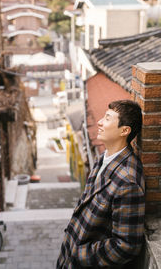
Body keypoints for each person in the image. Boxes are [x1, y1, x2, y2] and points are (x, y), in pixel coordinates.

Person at [56, 100, 145, 269]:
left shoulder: (127, 182)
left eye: (108, 118)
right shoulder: (103, 157)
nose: (99, 122)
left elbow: (127, 246)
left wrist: (78, 254)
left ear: (124, 131)